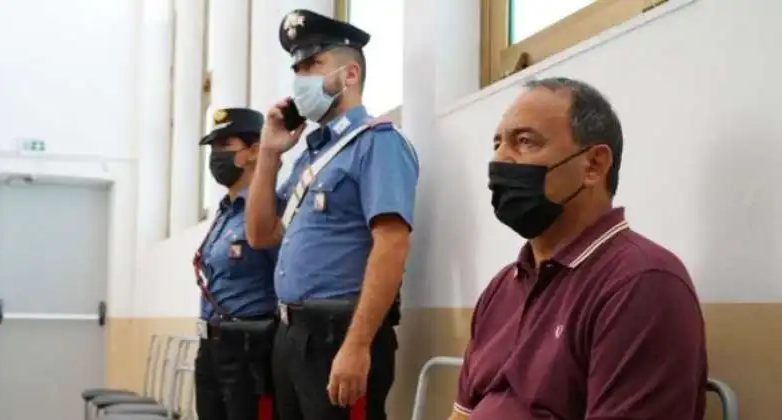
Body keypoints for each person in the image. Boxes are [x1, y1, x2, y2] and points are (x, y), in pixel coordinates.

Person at [449, 78, 708, 419]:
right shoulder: (501, 289)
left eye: (524, 142)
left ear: (594, 165)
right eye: (497, 144)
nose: (500, 159)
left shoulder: (641, 284)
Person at [245, 9, 419, 420]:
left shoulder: (378, 143)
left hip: (338, 335)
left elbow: (392, 243)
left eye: (314, 65)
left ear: (350, 75)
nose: (301, 78)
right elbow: (261, 234)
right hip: (291, 334)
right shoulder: (311, 156)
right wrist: (269, 153)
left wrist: (358, 345)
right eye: (298, 68)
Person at [194, 107, 279, 420]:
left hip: (249, 350)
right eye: (213, 148)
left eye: (225, 147)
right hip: (211, 346)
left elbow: (282, 278)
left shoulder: (268, 209)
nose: (216, 156)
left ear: (255, 151)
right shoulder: (225, 211)